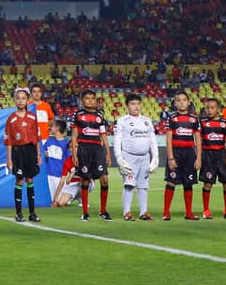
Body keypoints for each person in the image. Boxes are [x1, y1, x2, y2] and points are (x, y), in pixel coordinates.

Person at [113, 93, 158, 221]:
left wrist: (155, 158)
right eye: (133, 104)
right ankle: (126, 212)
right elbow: (117, 141)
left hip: (144, 157)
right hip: (129, 157)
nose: (136, 107)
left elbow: (152, 140)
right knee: (129, 184)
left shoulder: (146, 121)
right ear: (127, 106)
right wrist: (119, 158)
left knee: (143, 186)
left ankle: (144, 212)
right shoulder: (122, 121)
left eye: (138, 104)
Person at [71, 88, 113, 222]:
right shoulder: (77, 115)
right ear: (82, 101)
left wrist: (108, 153)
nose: (90, 100)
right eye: (87, 98)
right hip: (83, 148)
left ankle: (103, 211)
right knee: (85, 180)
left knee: (104, 179)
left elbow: (103, 134)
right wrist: (74, 154)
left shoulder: (100, 116)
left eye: (92, 98)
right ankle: (85, 212)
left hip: (97, 148)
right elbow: (74, 135)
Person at [4, 87, 41, 223]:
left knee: (30, 180)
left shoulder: (32, 117)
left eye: (23, 98)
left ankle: (32, 213)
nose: (20, 101)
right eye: (18, 98)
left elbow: (37, 138)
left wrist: (38, 154)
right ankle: (19, 213)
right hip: (18, 152)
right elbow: (8, 141)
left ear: (27, 100)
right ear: (15, 100)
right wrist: (9, 159)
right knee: (19, 180)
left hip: (30, 151)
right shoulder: (11, 119)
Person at [162, 91, 201, 221]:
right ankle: (166, 212)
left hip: (190, 154)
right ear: (175, 103)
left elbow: (198, 140)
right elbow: (168, 139)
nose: (181, 102)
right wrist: (171, 158)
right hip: (176, 153)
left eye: (184, 100)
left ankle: (189, 212)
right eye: (178, 100)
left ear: (188, 102)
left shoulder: (194, 119)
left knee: (188, 183)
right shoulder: (172, 118)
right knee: (171, 182)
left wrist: (198, 157)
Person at [198, 97, 226, 220]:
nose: (209, 110)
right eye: (207, 108)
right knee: (208, 183)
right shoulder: (203, 123)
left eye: (212, 108)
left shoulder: (224, 123)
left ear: (218, 109)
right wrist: (200, 156)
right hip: (208, 155)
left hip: (221, 155)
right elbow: (199, 140)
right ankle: (206, 210)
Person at [42, 118, 72, 207]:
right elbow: (42, 153)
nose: (50, 128)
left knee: (60, 201)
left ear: (58, 128)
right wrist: (44, 155)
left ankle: (75, 196)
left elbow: (68, 160)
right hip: (48, 173)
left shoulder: (66, 143)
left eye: (52, 126)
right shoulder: (49, 140)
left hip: (59, 175)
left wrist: (68, 174)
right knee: (50, 200)